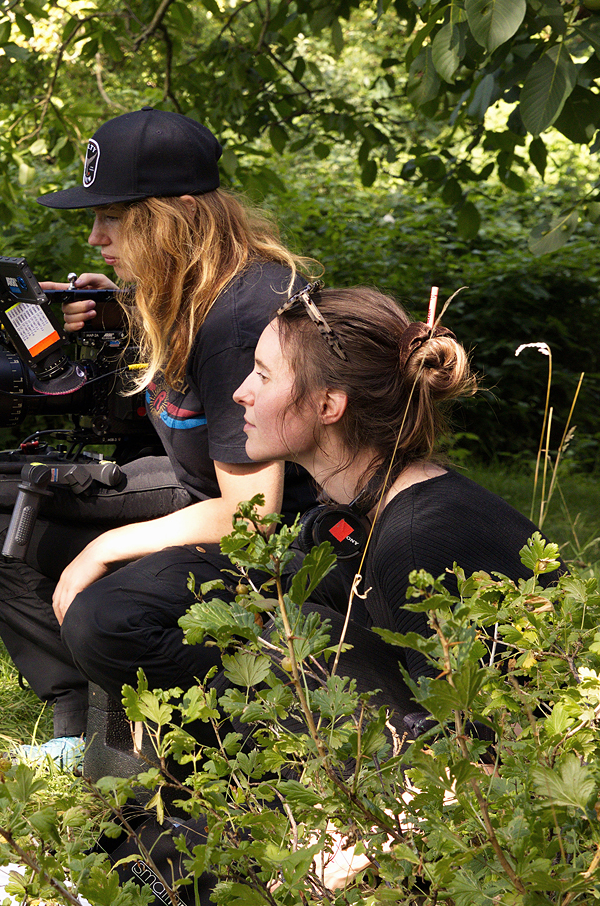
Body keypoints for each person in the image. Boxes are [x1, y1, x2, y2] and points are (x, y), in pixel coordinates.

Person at [0, 108, 316, 762]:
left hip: (285, 535)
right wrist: (121, 304)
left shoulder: (242, 318)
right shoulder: (190, 286)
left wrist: (105, 549)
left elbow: (253, 516)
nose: (94, 237)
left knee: (105, 607)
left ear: (174, 215)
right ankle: (73, 723)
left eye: (112, 217)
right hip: (197, 487)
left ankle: (207, 747)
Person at [62, 285, 546, 747]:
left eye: (264, 375)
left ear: (328, 405)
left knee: (294, 631)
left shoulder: (415, 540)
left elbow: (470, 746)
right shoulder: (357, 511)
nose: (240, 393)